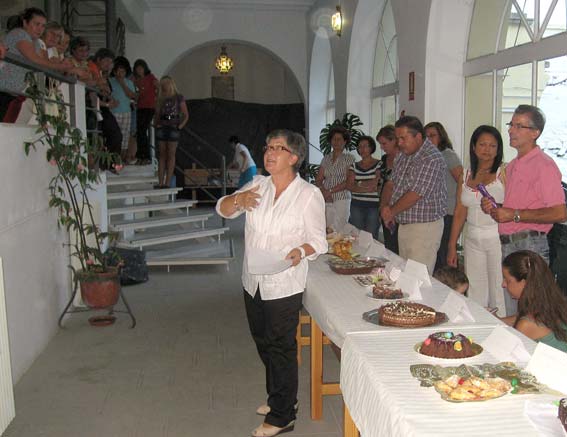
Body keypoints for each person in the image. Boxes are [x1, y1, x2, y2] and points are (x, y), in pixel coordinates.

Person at [216, 129, 327, 437]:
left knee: (281, 347)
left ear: (294, 157)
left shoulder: (308, 195)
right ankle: (279, 396)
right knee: (263, 341)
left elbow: (318, 241)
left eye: (278, 148)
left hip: (284, 281)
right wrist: (236, 199)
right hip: (253, 279)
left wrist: (300, 251)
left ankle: (282, 416)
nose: (269, 153)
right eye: (267, 147)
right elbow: (223, 210)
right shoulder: (257, 186)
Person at [481, 104, 567, 314]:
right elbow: (518, 209)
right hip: (510, 245)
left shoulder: (544, 166)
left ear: (535, 133)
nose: (511, 130)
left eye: (519, 126)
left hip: (530, 247)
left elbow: (560, 212)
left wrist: (514, 214)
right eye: (512, 124)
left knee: (530, 314)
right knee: (515, 311)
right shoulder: (512, 166)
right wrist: (497, 209)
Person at [447, 125, 507, 316]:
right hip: (471, 239)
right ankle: (479, 329)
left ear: (499, 149)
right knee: (475, 290)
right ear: (473, 147)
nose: (487, 150)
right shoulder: (465, 175)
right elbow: (459, 212)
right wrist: (451, 246)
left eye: (492, 146)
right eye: (482, 144)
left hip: (497, 238)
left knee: (499, 290)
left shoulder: (504, 172)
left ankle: (503, 334)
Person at [380, 116, 447, 274]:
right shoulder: (403, 155)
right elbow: (390, 183)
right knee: (406, 275)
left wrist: (391, 211)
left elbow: (415, 194)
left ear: (418, 136)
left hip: (424, 228)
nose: (400, 143)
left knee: (417, 279)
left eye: (403, 138)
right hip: (404, 225)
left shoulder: (431, 158)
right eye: (397, 139)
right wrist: (384, 206)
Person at [0, 8, 77, 121]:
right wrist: (61, 66)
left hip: (13, 93)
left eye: (43, 26)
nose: (40, 29)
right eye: (37, 24)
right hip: (4, 91)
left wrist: (61, 65)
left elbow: (45, 63)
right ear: (25, 22)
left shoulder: (35, 41)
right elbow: (34, 59)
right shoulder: (19, 33)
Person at [501, 250, 567, 353]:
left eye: (508, 280)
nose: (503, 284)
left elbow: (508, 354)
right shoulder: (553, 302)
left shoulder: (526, 324)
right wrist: (497, 320)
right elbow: (518, 318)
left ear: (524, 283)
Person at [425, 122, 463, 270]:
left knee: (445, 252)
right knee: (437, 252)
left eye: (433, 135)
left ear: (441, 137)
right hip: (435, 212)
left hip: (449, 211)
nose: (429, 139)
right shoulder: (428, 156)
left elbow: (461, 180)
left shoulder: (448, 154)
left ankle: (450, 285)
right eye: (426, 136)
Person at [316, 126, 355, 233]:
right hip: (326, 198)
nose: (336, 142)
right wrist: (324, 192)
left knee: (339, 229)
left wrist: (330, 192)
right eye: (334, 139)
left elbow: (348, 181)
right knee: (327, 229)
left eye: (339, 139)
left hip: (341, 198)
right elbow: (319, 179)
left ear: (345, 141)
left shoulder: (349, 158)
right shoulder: (326, 158)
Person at [154, 76, 188, 188]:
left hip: (173, 126)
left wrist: (180, 126)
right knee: (162, 155)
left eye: (167, 83)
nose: (165, 86)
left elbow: (185, 114)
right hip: (163, 126)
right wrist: (156, 124)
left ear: (171, 84)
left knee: (171, 155)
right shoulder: (160, 97)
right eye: (163, 84)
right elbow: (157, 114)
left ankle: (167, 182)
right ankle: (160, 182)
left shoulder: (178, 97)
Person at [346, 135, 380, 239]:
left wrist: (359, 183)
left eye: (366, 146)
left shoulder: (379, 164)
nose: (362, 149)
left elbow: (376, 185)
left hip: (374, 206)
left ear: (371, 148)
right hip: (356, 206)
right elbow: (349, 186)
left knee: (371, 237)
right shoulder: (354, 166)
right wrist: (367, 186)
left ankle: (372, 256)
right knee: (356, 236)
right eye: (360, 146)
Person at [376, 125, 400, 254]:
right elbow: (381, 182)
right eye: (380, 144)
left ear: (394, 141)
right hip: (384, 204)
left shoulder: (403, 159)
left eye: (384, 143)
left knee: (398, 244)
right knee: (389, 244)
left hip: (397, 205)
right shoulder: (385, 159)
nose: (382, 147)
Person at [109, 57, 137, 163]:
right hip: (113, 112)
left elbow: (132, 96)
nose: (121, 73)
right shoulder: (110, 81)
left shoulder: (128, 83)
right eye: (119, 71)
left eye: (123, 71)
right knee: (115, 137)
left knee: (125, 137)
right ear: (114, 71)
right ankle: (113, 160)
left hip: (126, 112)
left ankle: (121, 160)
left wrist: (122, 83)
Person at [133, 59, 158, 165]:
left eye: (141, 68)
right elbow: (135, 93)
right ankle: (141, 156)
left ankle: (146, 156)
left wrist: (157, 98)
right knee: (140, 131)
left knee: (142, 130)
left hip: (149, 107)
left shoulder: (150, 77)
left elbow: (158, 86)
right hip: (140, 107)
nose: (139, 70)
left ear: (145, 68)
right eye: (137, 68)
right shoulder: (135, 80)